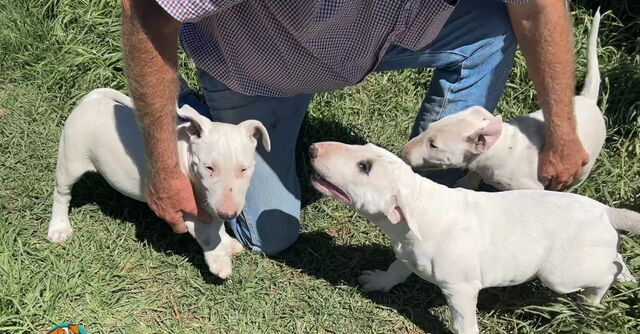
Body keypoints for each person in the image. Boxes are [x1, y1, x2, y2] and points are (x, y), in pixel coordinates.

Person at [121, 0, 589, 255]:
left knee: (492, 28)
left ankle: (431, 194)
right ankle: (188, 113)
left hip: (376, 39)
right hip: (257, 69)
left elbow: (536, 7)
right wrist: (164, 163)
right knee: (269, 236)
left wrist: (563, 131)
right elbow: (147, 12)